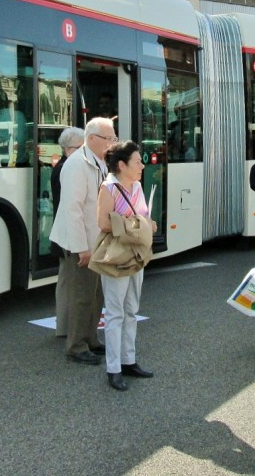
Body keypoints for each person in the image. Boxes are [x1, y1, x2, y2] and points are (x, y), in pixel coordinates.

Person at [49, 117, 116, 365]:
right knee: (83, 295)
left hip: (95, 240)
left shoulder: (98, 161)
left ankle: (90, 338)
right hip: (82, 242)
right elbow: (72, 210)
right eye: (108, 138)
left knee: (96, 294)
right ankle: (76, 345)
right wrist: (80, 249)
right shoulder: (77, 164)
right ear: (91, 139)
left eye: (113, 138)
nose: (111, 143)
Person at [96, 140, 155, 390]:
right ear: (122, 165)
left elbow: (144, 217)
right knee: (115, 312)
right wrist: (134, 225)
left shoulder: (138, 186)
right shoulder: (108, 188)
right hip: (116, 254)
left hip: (136, 253)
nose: (142, 165)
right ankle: (113, 368)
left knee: (132, 309)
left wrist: (145, 224)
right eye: (138, 161)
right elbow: (103, 223)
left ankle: (129, 360)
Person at [51, 126, 85, 338]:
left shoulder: (61, 167)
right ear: (71, 149)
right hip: (69, 237)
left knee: (65, 282)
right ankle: (68, 328)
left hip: (62, 234)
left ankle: (63, 326)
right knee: (72, 285)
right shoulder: (69, 168)